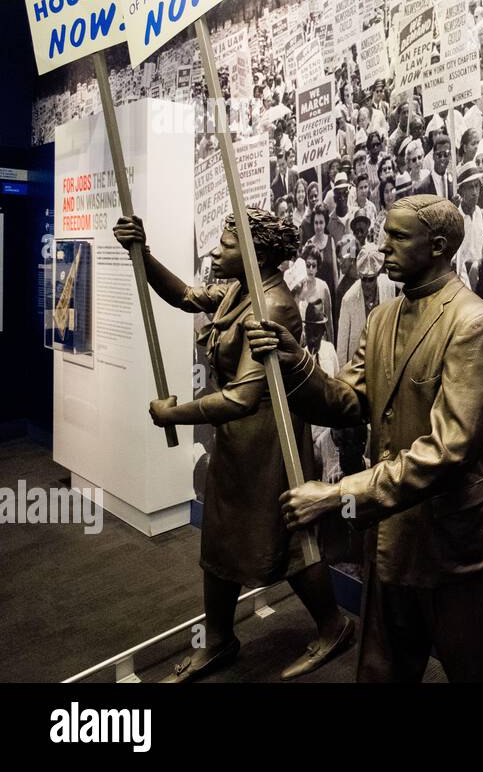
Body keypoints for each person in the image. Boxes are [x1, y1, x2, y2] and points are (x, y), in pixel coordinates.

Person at [245, 195, 483, 683]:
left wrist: (337, 495)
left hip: (454, 547)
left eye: (397, 237)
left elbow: (448, 449)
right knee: (379, 673)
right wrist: (295, 362)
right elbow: (347, 399)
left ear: (437, 247)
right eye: (384, 233)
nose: (381, 247)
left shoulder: (474, 322)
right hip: (390, 537)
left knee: (480, 673)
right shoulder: (383, 317)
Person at [112, 211, 353, 682]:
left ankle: (333, 625)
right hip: (237, 439)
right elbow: (184, 295)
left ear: (255, 253)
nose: (216, 252)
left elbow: (244, 397)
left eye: (225, 244)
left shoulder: (274, 305)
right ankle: (219, 638)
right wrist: (140, 250)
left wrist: (173, 412)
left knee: (282, 539)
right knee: (221, 533)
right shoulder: (238, 290)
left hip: (269, 440)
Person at [337, 244, 396, 366]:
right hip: (358, 364)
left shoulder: (388, 286)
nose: (367, 284)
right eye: (364, 279)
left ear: (378, 274)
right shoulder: (348, 300)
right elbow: (342, 347)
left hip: (382, 359)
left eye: (371, 279)